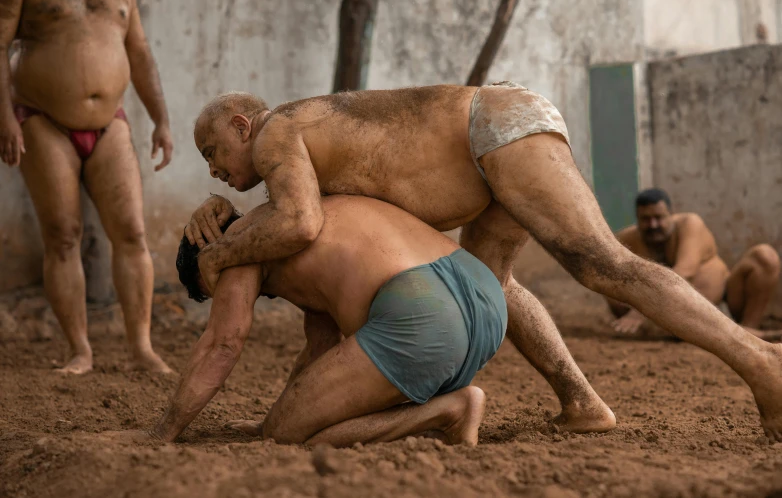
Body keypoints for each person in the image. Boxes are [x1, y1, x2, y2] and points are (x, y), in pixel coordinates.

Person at [184, 86, 782, 442]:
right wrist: (221, 212)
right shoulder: (297, 141)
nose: (212, 167)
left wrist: (219, 251)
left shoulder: (274, 132)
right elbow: (294, 223)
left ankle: (760, 363)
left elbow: (299, 224)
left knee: (604, 266)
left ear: (242, 125)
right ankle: (582, 404)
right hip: (490, 141)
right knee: (496, 282)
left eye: (212, 151)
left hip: (490, 129)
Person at [148, 195, 505, 446]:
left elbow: (222, 344)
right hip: (484, 294)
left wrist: (160, 432)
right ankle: (441, 415)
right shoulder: (296, 217)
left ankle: (450, 410)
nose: (228, 297)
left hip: (424, 313)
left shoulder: (237, 248)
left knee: (285, 433)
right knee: (286, 422)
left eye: (215, 291)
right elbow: (321, 350)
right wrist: (272, 418)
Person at [0, 0, 173, 374]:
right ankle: (81, 351)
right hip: (40, 117)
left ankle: (142, 348)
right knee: (62, 235)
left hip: (110, 121)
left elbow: (139, 49)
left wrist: (161, 120)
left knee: (132, 231)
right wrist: (5, 117)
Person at [608, 188, 781, 341]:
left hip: (723, 305)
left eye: (658, 218)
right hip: (666, 319)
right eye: (645, 219)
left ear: (671, 214)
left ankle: (748, 332)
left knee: (765, 256)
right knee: (607, 273)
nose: (653, 225)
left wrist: (639, 312)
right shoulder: (626, 239)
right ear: (637, 219)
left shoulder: (690, 224)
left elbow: (682, 274)